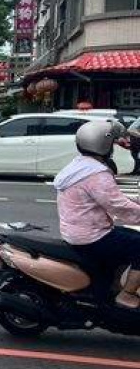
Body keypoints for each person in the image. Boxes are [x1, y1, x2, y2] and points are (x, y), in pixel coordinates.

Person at [54, 119, 140, 309]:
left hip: (78, 232)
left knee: (131, 239)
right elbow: (118, 207)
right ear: (104, 145)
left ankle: (113, 286)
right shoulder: (96, 174)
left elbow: (111, 198)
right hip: (92, 237)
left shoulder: (78, 167)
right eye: (112, 144)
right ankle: (126, 295)